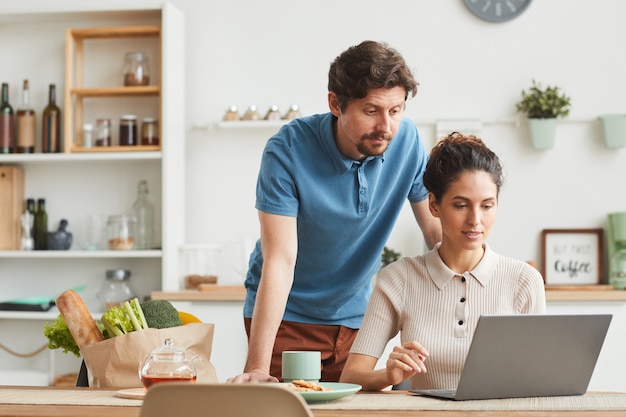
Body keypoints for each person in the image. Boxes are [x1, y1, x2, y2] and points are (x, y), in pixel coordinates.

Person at [227, 40, 442, 384]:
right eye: (371, 110)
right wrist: (256, 369)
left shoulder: (409, 142)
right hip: (288, 319)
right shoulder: (288, 151)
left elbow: (435, 233)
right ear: (336, 104)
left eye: (396, 110)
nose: (386, 126)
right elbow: (280, 260)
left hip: (359, 320)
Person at [339, 132, 547, 391]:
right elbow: (351, 377)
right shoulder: (399, 278)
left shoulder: (524, 280)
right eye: (461, 205)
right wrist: (387, 376)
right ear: (434, 205)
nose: (475, 220)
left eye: (487, 206)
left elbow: (539, 383)